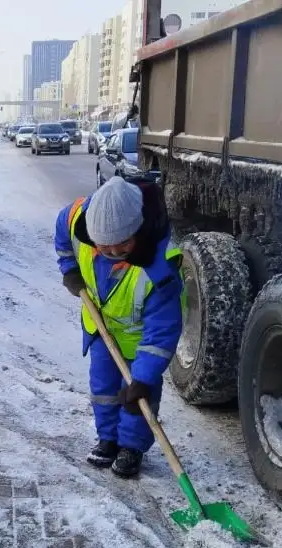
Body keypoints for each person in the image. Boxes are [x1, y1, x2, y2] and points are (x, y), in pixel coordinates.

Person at [54, 175, 184, 477]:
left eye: (121, 245)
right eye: (104, 246)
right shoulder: (78, 219)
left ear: (137, 231)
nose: (111, 251)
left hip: (141, 341)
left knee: (137, 398)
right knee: (103, 388)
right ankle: (108, 439)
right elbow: (62, 232)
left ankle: (132, 447)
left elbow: (162, 330)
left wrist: (143, 377)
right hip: (101, 329)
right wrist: (69, 269)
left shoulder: (160, 269)